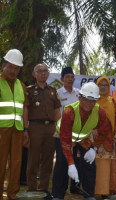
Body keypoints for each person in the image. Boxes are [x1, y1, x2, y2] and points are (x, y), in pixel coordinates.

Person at [59, 82, 112, 200]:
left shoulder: (100, 112)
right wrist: (71, 164)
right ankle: (58, 195)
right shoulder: (70, 111)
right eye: (87, 99)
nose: (89, 104)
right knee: (62, 163)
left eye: (93, 101)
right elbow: (65, 141)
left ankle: (89, 195)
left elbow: (104, 131)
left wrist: (95, 148)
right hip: (65, 138)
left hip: (83, 139)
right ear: (80, 98)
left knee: (90, 164)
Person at [26, 63, 61, 199]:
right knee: (33, 158)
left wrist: (58, 128)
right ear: (34, 74)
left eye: (45, 71)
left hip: (50, 128)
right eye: (39, 71)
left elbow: (57, 111)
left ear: (48, 74)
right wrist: (26, 128)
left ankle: (44, 189)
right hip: (35, 127)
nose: (43, 73)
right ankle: (32, 188)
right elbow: (26, 110)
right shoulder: (29, 90)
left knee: (47, 159)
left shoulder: (53, 90)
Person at [0, 49, 29, 200]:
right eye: (11, 67)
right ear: (4, 65)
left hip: (17, 130)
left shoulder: (21, 85)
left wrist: (25, 129)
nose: (13, 71)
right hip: (1, 130)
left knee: (16, 163)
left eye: (16, 68)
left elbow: (24, 108)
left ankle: (12, 194)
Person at [52, 66, 80, 200]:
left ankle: (75, 187)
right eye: (67, 77)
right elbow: (56, 113)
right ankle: (58, 193)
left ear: (74, 78)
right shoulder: (58, 93)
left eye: (72, 77)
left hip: (76, 134)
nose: (70, 79)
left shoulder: (78, 94)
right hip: (61, 133)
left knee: (76, 160)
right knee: (62, 162)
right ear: (62, 79)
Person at [94, 76, 116, 199]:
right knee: (90, 165)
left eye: (106, 85)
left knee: (104, 166)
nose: (103, 87)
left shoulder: (111, 101)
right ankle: (90, 191)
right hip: (92, 137)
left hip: (107, 140)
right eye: (101, 85)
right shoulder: (92, 99)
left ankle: (104, 192)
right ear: (97, 86)